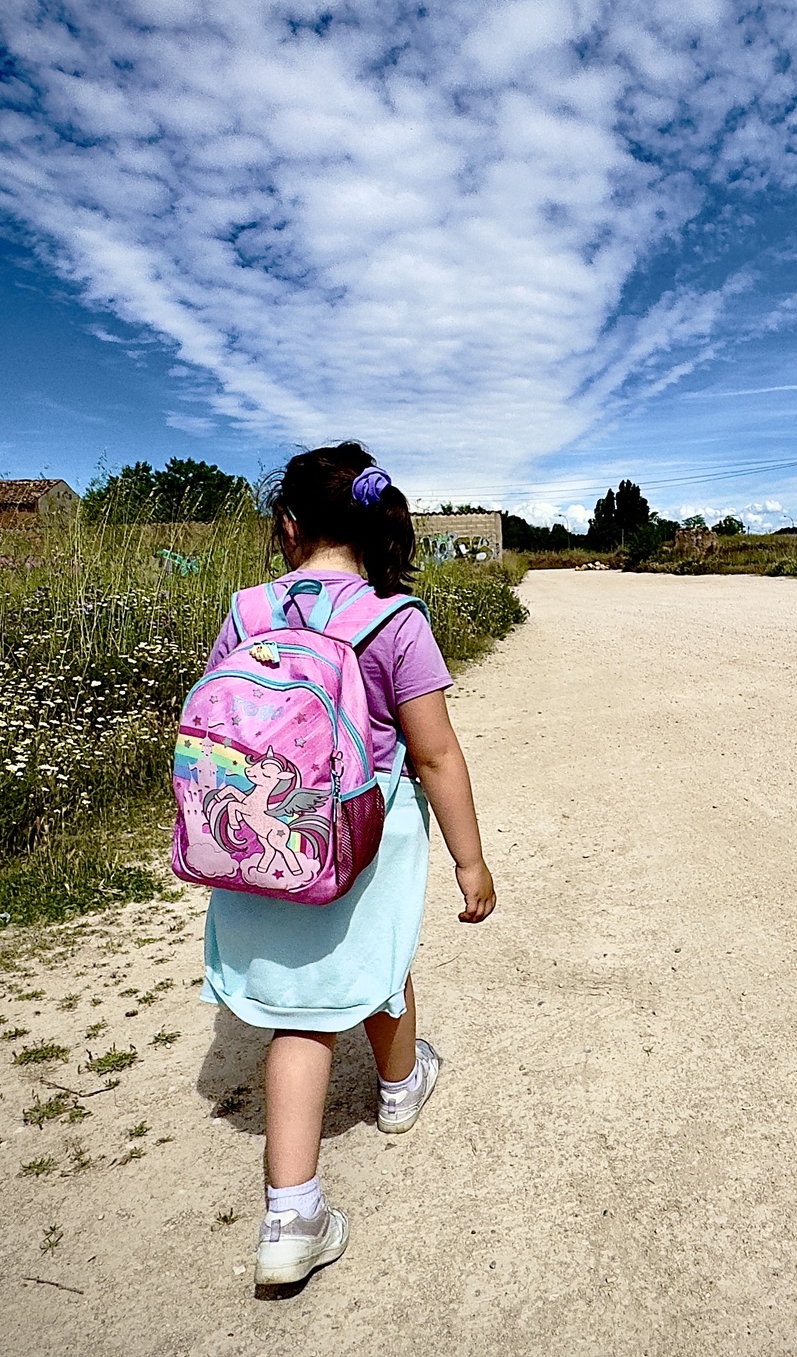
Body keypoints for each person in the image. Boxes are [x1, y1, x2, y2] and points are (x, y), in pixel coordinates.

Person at [196, 442, 496, 1289]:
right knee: (375, 962)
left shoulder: (248, 613)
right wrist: (471, 862)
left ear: (288, 528)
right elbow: (434, 756)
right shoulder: (394, 620)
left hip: (262, 836)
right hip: (366, 837)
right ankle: (320, 1180)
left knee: (302, 1000)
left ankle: (312, 1193)